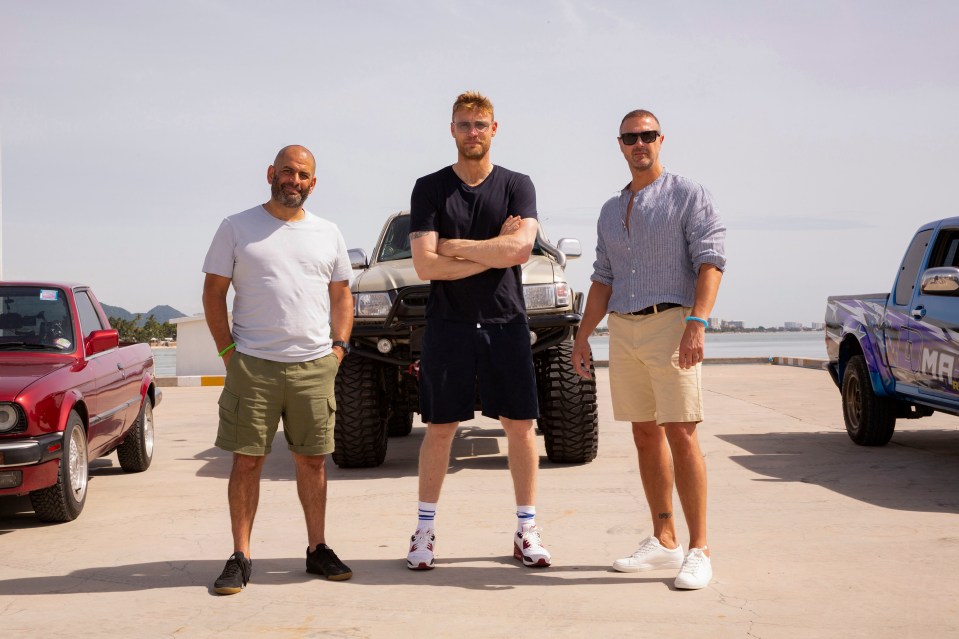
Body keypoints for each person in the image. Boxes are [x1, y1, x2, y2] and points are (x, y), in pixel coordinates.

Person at [572, 110, 726, 590]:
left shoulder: (688, 194)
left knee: (681, 432)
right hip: (623, 327)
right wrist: (581, 336)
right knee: (643, 434)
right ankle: (664, 539)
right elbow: (602, 277)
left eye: (647, 136)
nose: (639, 144)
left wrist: (697, 323)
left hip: (672, 323)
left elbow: (711, 260)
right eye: (630, 138)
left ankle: (699, 549)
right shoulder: (609, 210)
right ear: (620, 145)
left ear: (661, 140)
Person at [405, 91, 550, 570]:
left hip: (506, 321)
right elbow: (426, 266)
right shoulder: (429, 188)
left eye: (480, 124)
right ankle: (424, 533)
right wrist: (494, 251)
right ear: (451, 130)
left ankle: (526, 530)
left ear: (495, 129)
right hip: (449, 325)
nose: (473, 132)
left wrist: (457, 248)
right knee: (441, 428)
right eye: (464, 124)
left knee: (520, 427)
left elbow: (521, 250)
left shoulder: (517, 184)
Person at [202, 145, 355, 595]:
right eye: (287, 171)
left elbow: (342, 295)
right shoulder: (236, 227)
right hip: (253, 366)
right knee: (247, 461)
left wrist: (339, 350)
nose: (295, 180)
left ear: (313, 182)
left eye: (304, 174)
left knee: (313, 462)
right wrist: (229, 352)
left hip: (313, 367)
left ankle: (317, 549)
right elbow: (213, 294)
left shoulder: (328, 232)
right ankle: (240, 557)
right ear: (271, 173)